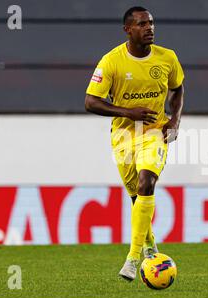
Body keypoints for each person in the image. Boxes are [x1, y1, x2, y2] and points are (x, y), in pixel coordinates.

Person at [84, 7, 184, 281]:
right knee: (136, 197)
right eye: (142, 24)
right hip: (124, 135)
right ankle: (150, 246)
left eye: (151, 23)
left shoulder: (167, 58)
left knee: (146, 182)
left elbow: (178, 88)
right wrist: (128, 112)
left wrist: (174, 120)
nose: (149, 28)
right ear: (128, 29)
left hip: (155, 131)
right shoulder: (112, 61)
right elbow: (90, 102)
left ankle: (132, 258)